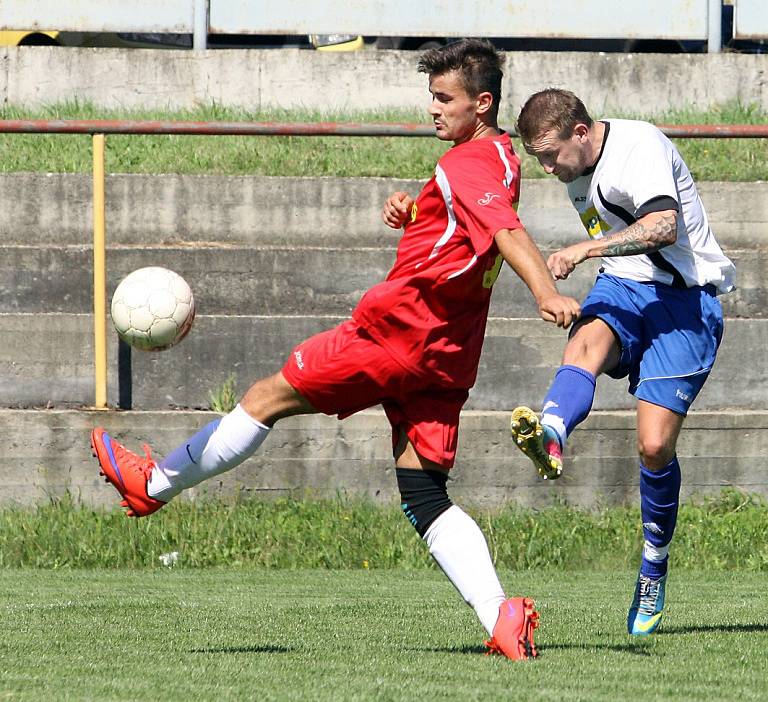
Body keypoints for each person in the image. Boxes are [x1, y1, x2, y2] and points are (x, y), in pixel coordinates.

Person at [91, 40, 580, 661]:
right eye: (430, 95)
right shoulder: (500, 155)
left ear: (481, 104)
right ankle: (503, 619)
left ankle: (152, 485)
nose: (432, 109)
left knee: (265, 398)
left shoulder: (466, 166)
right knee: (425, 491)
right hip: (447, 353)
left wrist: (545, 292)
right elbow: (471, 227)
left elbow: (504, 230)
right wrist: (418, 212)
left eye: (444, 98)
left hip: (397, 333)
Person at [510, 88, 735, 636]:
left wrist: (585, 250)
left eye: (550, 154)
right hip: (628, 287)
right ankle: (553, 430)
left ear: (581, 133)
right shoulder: (575, 170)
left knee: (654, 446)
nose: (546, 167)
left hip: (687, 300)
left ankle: (653, 566)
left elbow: (664, 227)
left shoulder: (639, 145)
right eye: (536, 157)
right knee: (585, 344)